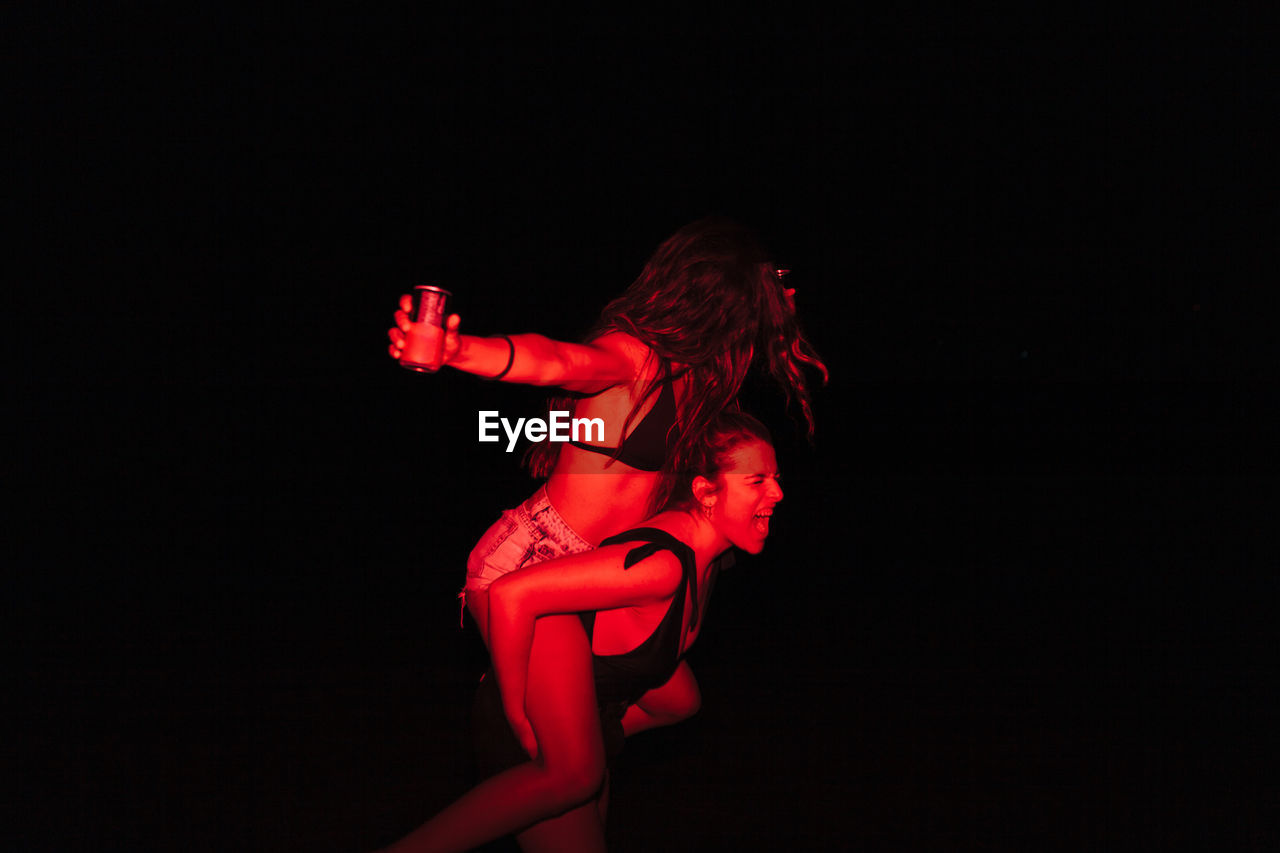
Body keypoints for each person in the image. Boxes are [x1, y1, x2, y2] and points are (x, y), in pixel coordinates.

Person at [384, 219, 826, 849]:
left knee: (665, 712)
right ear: (716, 297)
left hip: (596, 580)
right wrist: (460, 352)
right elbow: (555, 361)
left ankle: (572, 723)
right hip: (536, 559)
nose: (771, 310)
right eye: (760, 294)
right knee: (571, 775)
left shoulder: (707, 379)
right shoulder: (633, 356)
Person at [379, 412, 784, 852]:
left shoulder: (708, 562)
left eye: (776, 477)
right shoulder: (659, 566)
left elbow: (666, 687)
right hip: (532, 741)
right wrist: (516, 712)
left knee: (678, 705)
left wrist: (595, 730)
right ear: (705, 491)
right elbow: (510, 594)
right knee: (575, 777)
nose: (778, 493)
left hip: (581, 729)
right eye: (757, 480)